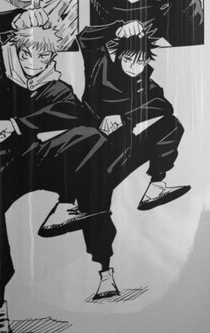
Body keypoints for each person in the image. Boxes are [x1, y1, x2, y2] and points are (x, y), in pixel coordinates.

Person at [0, 7, 117, 333]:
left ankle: (71, 210)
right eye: (28, 53)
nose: (35, 62)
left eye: (44, 56)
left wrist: (17, 124)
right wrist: (17, 16)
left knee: (92, 139)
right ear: (15, 47)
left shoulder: (53, 86)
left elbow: (80, 116)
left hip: (28, 160)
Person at [74, 28, 189, 212]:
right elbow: (85, 37)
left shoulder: (145, 83)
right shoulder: (100, 68)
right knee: (94, 205)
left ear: (147, 61)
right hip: (93, 151)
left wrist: (124, 118)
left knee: (171, 124)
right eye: (128, 59)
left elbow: (163, 106)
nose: (133, 67)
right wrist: (118, 28)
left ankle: (156, 186)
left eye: (140, 62)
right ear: (119, 56)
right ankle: (76, 204)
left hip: (124, 149)